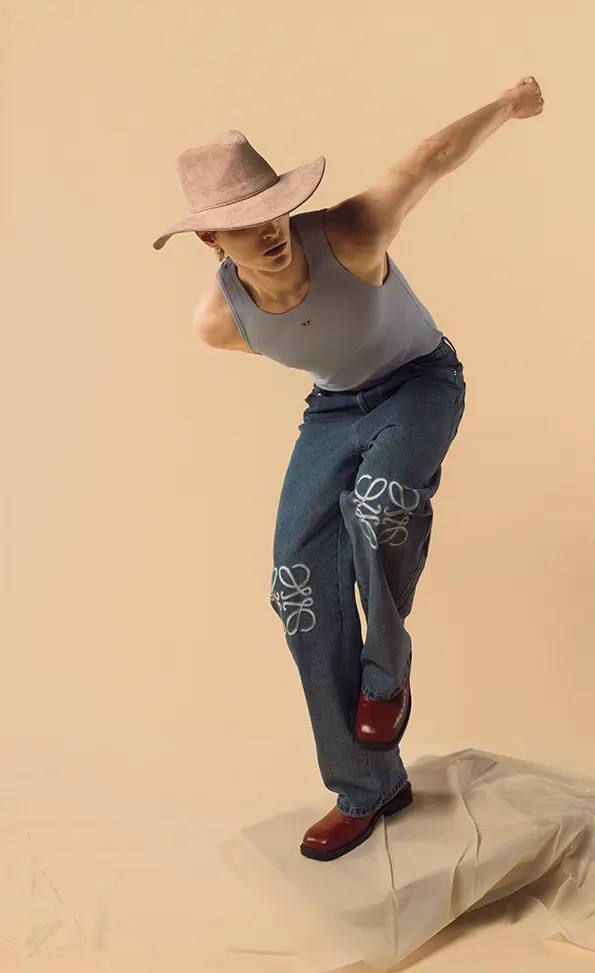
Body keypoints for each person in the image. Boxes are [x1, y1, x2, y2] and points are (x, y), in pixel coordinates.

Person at [154, 76, 544, 862]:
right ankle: (369, 787)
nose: (268, 231)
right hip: (335, 409)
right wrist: (344, 407)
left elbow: (433, 155)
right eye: (242, 224)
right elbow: (314, 347)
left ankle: (385, 672)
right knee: (296, 584)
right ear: (211, 241)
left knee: (379, 504)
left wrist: (510, 102)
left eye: (272, 209)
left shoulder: (352, 233)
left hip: (421, 382)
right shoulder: (220, 321)